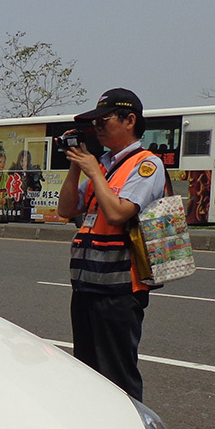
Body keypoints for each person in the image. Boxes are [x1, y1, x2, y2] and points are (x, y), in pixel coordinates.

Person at [56, 88, 166, 401]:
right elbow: (66, 210)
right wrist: (78, 165)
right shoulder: (101, 165)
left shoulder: (146, 165)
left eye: (105, 121)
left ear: (130, 120)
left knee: (117, 376)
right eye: (96, 123)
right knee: (88, 373)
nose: (98, 128)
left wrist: (93, 170)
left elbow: (119, 212)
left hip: (119, 290)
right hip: (88, 285)